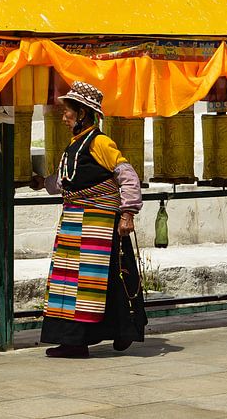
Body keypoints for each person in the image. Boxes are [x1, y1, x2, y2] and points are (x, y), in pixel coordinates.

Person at [31, 81, 146, 358]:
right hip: (74, 224)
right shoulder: (75, 145)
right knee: (71, 283)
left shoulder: (100, 142)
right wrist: (40, 183)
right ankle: (74, 341)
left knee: (101, 282)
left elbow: (128, 177)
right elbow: (66, 181)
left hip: (99, 225)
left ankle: (121, 331)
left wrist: (127, 213)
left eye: (67, 111)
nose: (63, 116)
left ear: (82, 113)